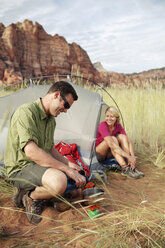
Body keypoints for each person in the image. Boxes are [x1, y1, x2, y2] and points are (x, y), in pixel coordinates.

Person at [4, 81, 87, 224]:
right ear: (56, 95)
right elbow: (31, 152)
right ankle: (30, 196)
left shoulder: (51, 120)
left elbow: (50, 149)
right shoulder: (26, 112)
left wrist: (69, 164)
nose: (66, 110)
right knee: (59, 182)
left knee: (75, 189)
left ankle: (45, 193)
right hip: (21, 168)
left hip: (38, 166)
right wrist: (65, 169)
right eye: (66, 105)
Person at [96, 106, 144, 179]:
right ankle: (124, 167)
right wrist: (128, 156)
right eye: (107, 116)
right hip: (99, 154)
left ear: (116, 118)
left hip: (109, 153)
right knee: (113, 139)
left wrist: (132, 157)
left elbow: (128, 141)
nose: (109, 119)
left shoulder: (118, 126)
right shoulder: (102, 125)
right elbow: (111, 144)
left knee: (122, 137)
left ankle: (130, 166)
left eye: (111, 116)